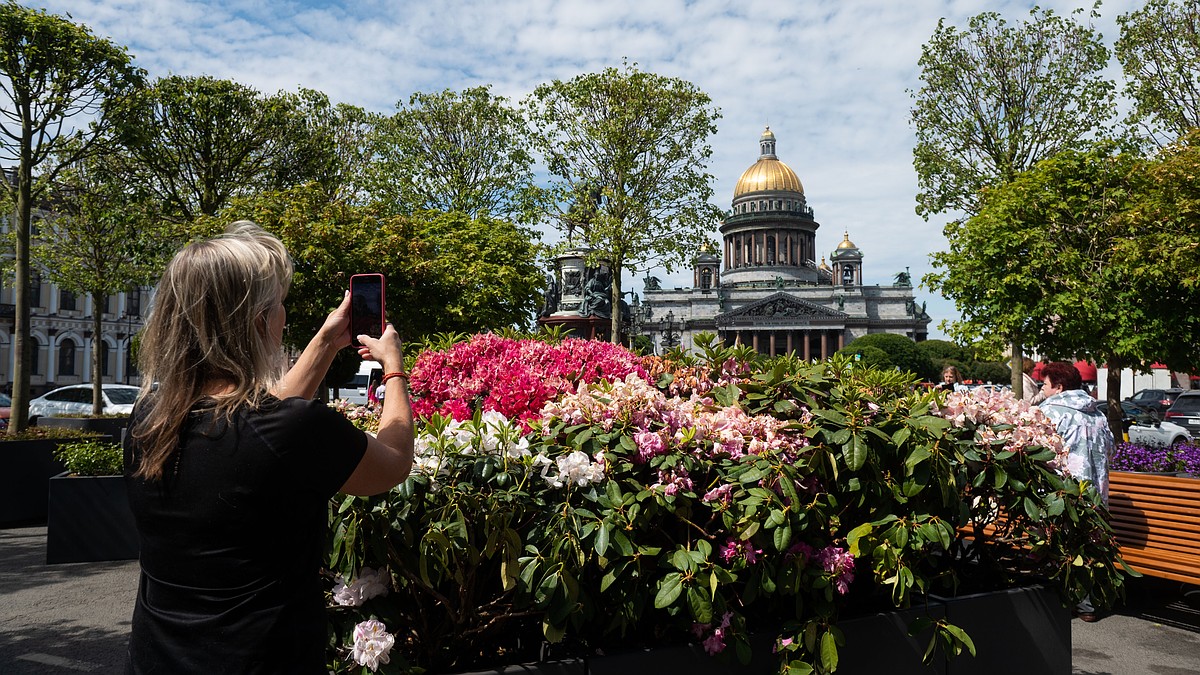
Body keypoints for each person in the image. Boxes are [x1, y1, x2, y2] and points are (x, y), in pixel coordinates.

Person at [124, 221, 414, 673]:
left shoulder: (147, 420)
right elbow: (392, 464)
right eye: (279, 304)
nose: (283, 315)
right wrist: (394, 370)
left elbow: (258, 425)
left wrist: (326, 341)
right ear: (259, 321)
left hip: (156, 657)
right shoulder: (291, 428)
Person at [1037, 361, 1114, 623]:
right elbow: (1111, 448)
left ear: (1058, 387)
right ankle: (1086, 604)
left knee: (1058, 543)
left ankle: (1059, 600)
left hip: (1062, 491)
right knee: (1088, 544)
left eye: (1045, 384)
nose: (1042, 389)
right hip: (1095, 493)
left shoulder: (1051, 411)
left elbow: (1038, 450)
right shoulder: (1097, 413)